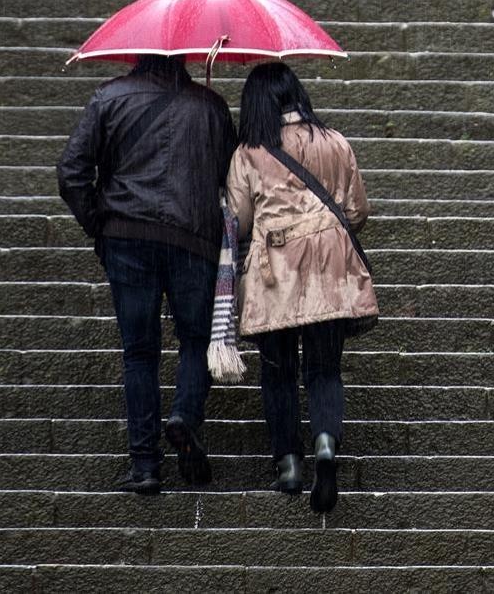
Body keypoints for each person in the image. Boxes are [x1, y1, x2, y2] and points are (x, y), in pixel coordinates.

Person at [58, 54, 237, 494]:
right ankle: (184, 416)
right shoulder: (211, 106)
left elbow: (71, 172)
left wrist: (99, 226)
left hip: (126, 235)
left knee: (139, 352)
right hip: (192, 239)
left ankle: (145, 466)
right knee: (196, 339)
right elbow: (231, 177)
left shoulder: (109, 97)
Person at [225, 62, 378, 513]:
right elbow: (356, 210)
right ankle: (326, 443)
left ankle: (289, 463)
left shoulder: (248, 153)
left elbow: (240, 221)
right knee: (325, 368)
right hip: (331, 269)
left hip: (276, 273)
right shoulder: (335, 141)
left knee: (278, 371)